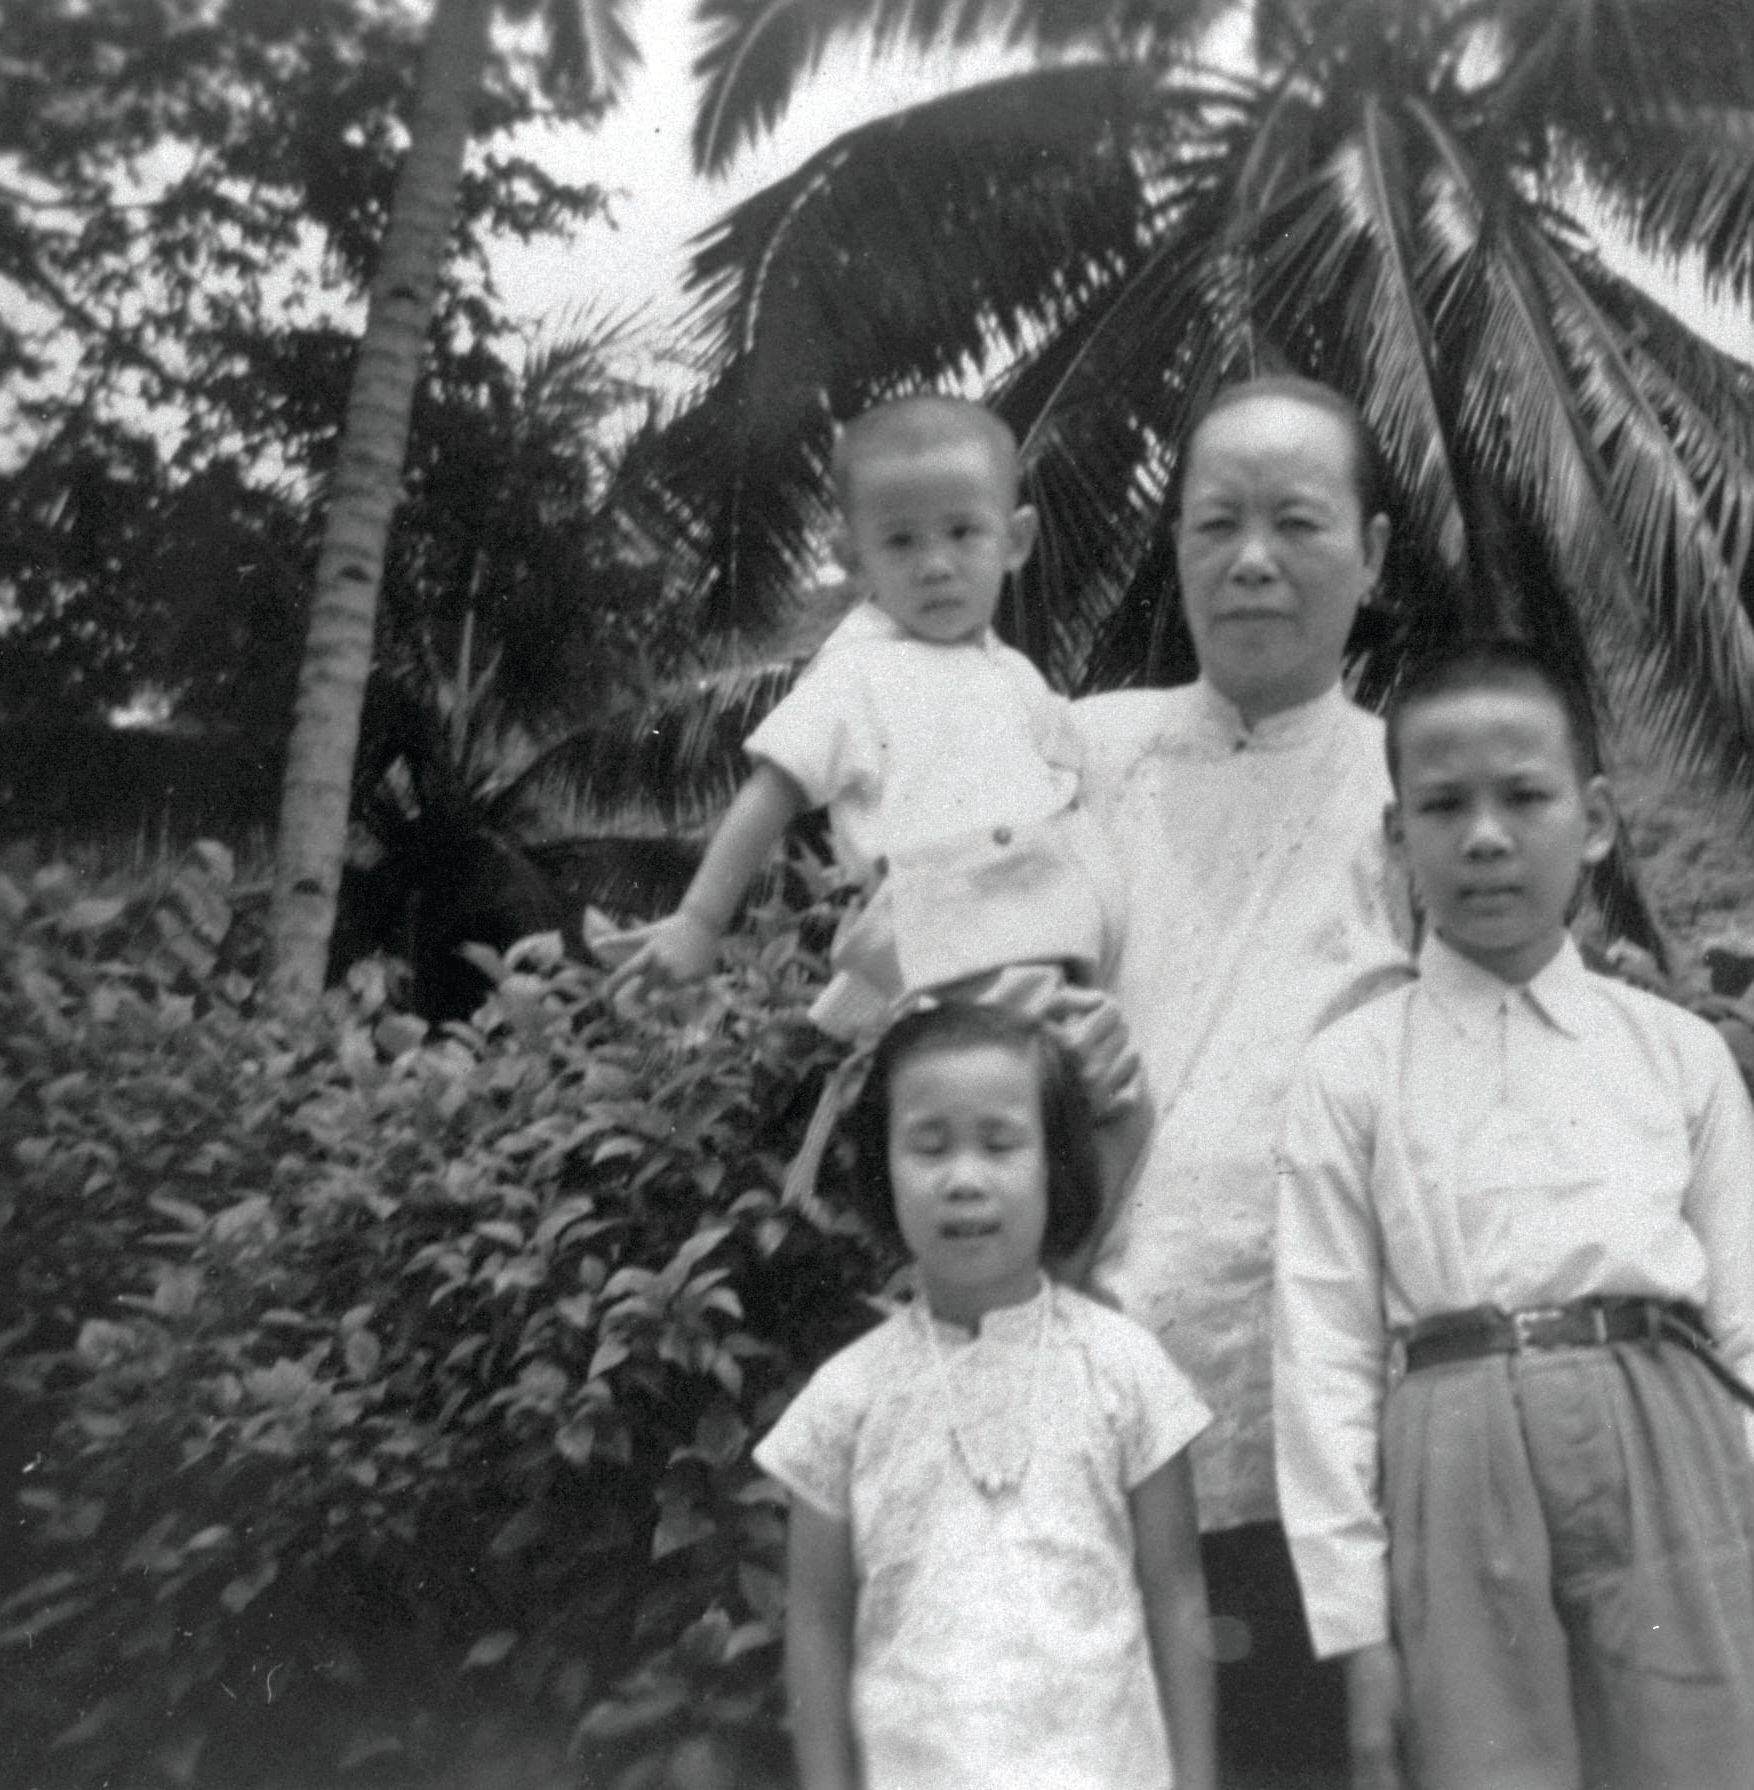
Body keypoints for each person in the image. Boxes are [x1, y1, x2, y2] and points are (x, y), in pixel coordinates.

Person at [1271, 638, 1754, 1790]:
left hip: (1664, 1435)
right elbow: (1320, 1353)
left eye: (1523, 796)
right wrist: (1356, 1630)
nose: (1485, 835)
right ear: (1395, 838)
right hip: (1451, 1445)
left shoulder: (1672, 1053)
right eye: (1442, 804)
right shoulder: (1352, 1070)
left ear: (1595, 820)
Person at [1071, 377, 1415, 1785]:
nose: (1250, 558)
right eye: (1213, 523)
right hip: (1079, 1407)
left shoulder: (1422, 788)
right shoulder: (1079, 751)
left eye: (1294, 522)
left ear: (1373, 555)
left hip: (1324, 1429)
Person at [602, 392, 1143, 1188]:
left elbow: (1078, 781)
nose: (934, 564)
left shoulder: (1013, 676)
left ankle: (1051, 1283)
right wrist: (698, 919)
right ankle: (1039, 1286)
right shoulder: (857, 673)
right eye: (900, 541)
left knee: (1088, 1121)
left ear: (1015, 539)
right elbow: (769, 792)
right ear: (854, 559)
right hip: (960, 947)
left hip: (1038, 948)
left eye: (963, 533)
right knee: (1057, 1124)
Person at [756, 1001, 1217, 1790]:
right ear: (881, 1171)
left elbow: (1176, 1600)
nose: (964, 1180)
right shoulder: (845, 1401)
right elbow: (817, 1630)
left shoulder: (1126, 1369)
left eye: (1000, 1145)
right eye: (928, 1147)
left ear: (1055, 1165)